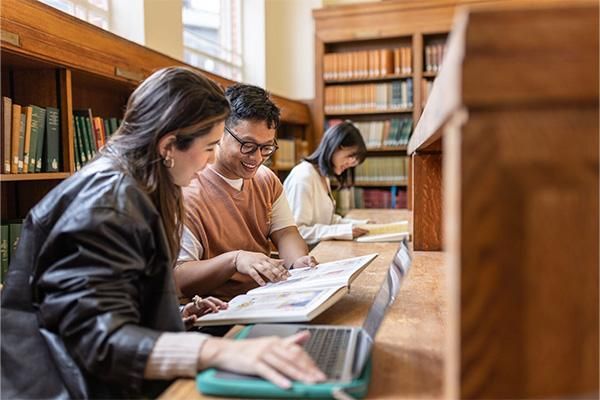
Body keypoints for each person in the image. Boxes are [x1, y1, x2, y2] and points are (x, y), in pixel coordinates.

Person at [0, 67, 325, 399]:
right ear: (169, 145)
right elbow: (95, 339)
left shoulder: (140, 187)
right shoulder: (107, 204)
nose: (211, 159)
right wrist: (217, 352)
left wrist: (173, 314)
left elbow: (113, 302)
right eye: (210, 146)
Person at [175, 83, 317, 301]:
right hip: (219, 311)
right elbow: (180, 278)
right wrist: (234, 260)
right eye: (248, 145)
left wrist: (297, 262)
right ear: (220, 132)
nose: (257, 158)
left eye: (266, 147)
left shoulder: (266, 179)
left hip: (267, 297)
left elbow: (286, 232)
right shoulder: (188, 190)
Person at [283, 121, 370, 246]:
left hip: (320, 250)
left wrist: (359, 225)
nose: (351, 163)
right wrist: (343, 231)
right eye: (350, 155)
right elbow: (297, 232)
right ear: (335, 146)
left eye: (354, 160)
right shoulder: (303, 177)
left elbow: (327, 220)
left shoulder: (322, 176)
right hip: (304, 257)